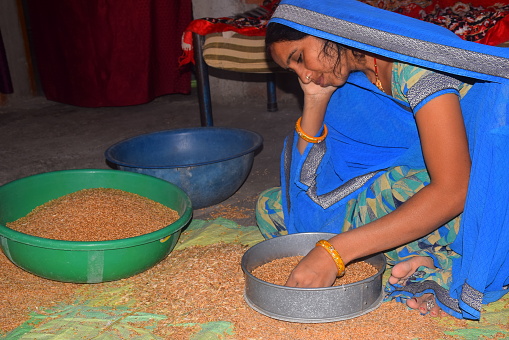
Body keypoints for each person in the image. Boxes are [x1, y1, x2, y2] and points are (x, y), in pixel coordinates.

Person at [255, 0, 509, 320]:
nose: (304, 75)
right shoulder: (356, 76)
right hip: (417, 187)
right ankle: (419, 254)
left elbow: (455, 188)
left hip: (486, 192)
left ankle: (437, 259)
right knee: (273, 209)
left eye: (300, 58)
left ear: (325, 29)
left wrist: (335, 252)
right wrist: (315, 99)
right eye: (292, 71)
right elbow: (303, 189)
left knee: (402, 186)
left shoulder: (414, 67)